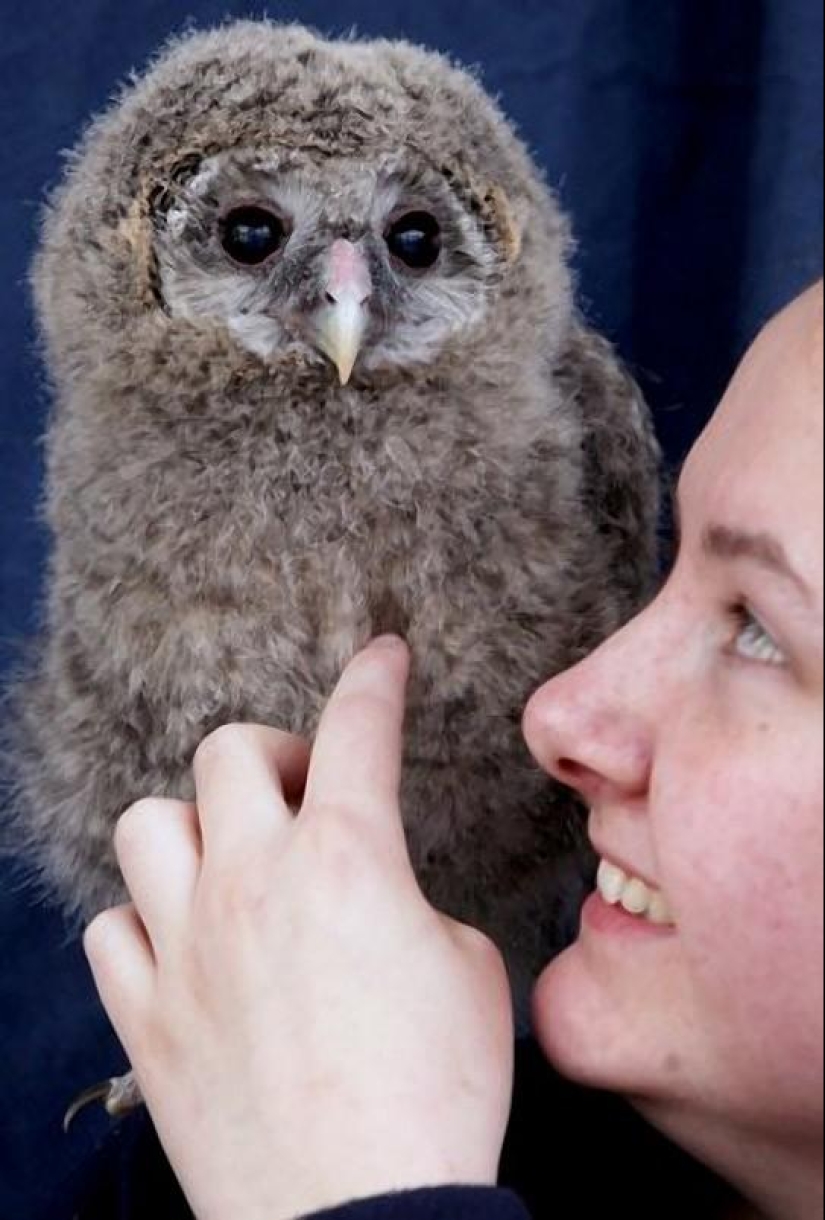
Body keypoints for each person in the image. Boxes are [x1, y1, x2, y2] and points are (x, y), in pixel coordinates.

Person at [83, 282, 824, 1220]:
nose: (561, 712)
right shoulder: (267, 1122)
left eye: (756, 629)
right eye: (676, 566)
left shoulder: (319, 1156)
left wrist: (339, 1191)